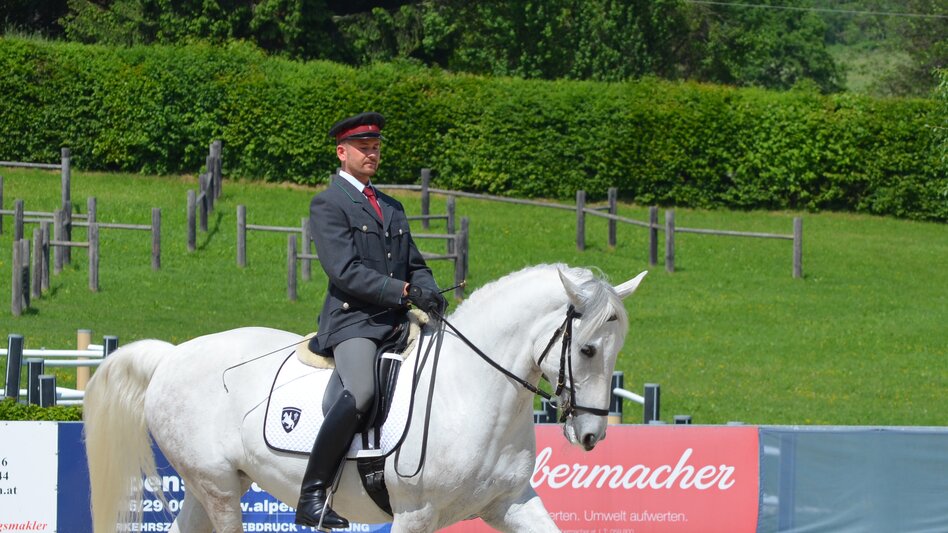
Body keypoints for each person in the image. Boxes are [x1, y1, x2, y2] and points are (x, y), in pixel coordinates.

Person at [295, 111, 446, 529]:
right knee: (360, 390)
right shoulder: (328, 203)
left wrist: (427, 288)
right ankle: (312, 494)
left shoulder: (392, 207)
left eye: (376, 148)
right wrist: (403, 292)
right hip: (354, 323)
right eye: (364, 148)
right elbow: (344, 272)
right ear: (342, 153)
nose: (372, 154)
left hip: (399, 320)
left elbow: (414, 263)